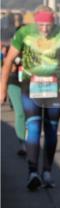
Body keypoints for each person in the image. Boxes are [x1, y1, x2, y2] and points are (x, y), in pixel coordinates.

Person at [0, 6, 60, 189]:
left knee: (51, 130)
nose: (44, 29)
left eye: (48, 25)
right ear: (36, 22)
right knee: (33, 125)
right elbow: (9, 60)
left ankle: (47, 171)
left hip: (55, 88)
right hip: (30, 86)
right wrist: (2, 89)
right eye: (41, 25)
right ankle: (33, 172)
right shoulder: (24, 33)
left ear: (54, 22)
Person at [2, 12, 27, 156]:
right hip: (14, 82)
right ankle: (22, 144)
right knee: (20, 113)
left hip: (31, 84)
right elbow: (6, 67)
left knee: (32, 114)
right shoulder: (12, 50)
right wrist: (2, 89)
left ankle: (31, 139)